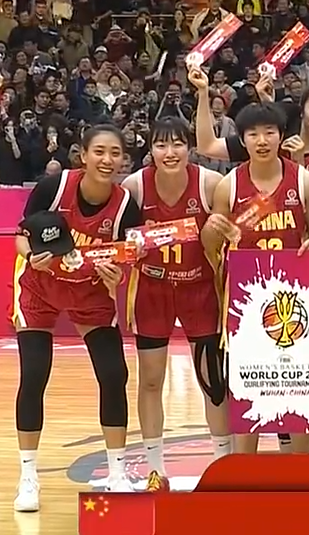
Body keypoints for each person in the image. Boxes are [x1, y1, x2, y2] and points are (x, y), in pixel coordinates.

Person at [13, 124, 143, 510]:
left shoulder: (125, 205)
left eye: (115, 153)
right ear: (83, 155)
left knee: (114, 374)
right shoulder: (53, 188)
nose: (107, 159)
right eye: (99, 151)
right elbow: (22, 235)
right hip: (41, 287)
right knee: (34, 375)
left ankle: (117, 473)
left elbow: (126, 256)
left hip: (89, 291)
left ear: (124, 160)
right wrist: (30, 254)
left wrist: (119, 274)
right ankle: (28, 477)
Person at [200, 102, 309, 455]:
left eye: (269, 132)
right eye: (253, 134)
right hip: (247, 304)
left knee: (298, 389)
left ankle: (298, 470)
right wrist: (212, 229)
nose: (261, 140)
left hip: (296, 302)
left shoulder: (304, 181)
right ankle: (246, 473)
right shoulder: (228, 186)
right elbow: (211, 247)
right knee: (249, 392)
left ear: (281, 136)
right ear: (242, 140)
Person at [120, 117, 227, 491]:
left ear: (190, 148)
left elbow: (229, 235)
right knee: (151, 380)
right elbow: (121, 241)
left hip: (200, 288)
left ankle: (222, 467)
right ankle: (155, 470)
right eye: (161, 144)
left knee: (213, 381)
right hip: (153, 289)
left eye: (178, 143)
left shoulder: (210, 184)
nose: (170, 152)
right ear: (150, 150)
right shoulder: (134, 186)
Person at [190, 68, 309, 184]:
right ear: (302, 111)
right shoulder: (271, 138)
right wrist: (203, 92)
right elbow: (207, 146)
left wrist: (298, 163)